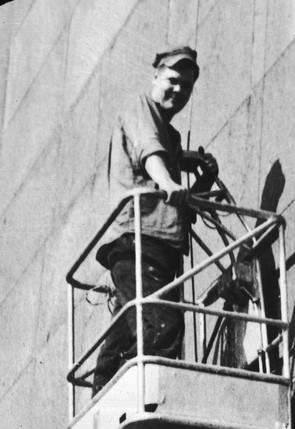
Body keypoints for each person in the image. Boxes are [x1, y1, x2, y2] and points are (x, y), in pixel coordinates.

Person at [92, 46, 219, 395]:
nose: (179, 91)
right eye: (174, 80)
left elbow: (179, 206)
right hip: (138, 240)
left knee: (129, 332)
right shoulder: (141, 107)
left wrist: (203, 179)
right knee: (162, 328)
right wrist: (167, 180)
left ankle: (103, 399)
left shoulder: (172, 138)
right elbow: (149, 152)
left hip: (158, 245)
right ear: (156, 76)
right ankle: (139, 404)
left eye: (187, 87)